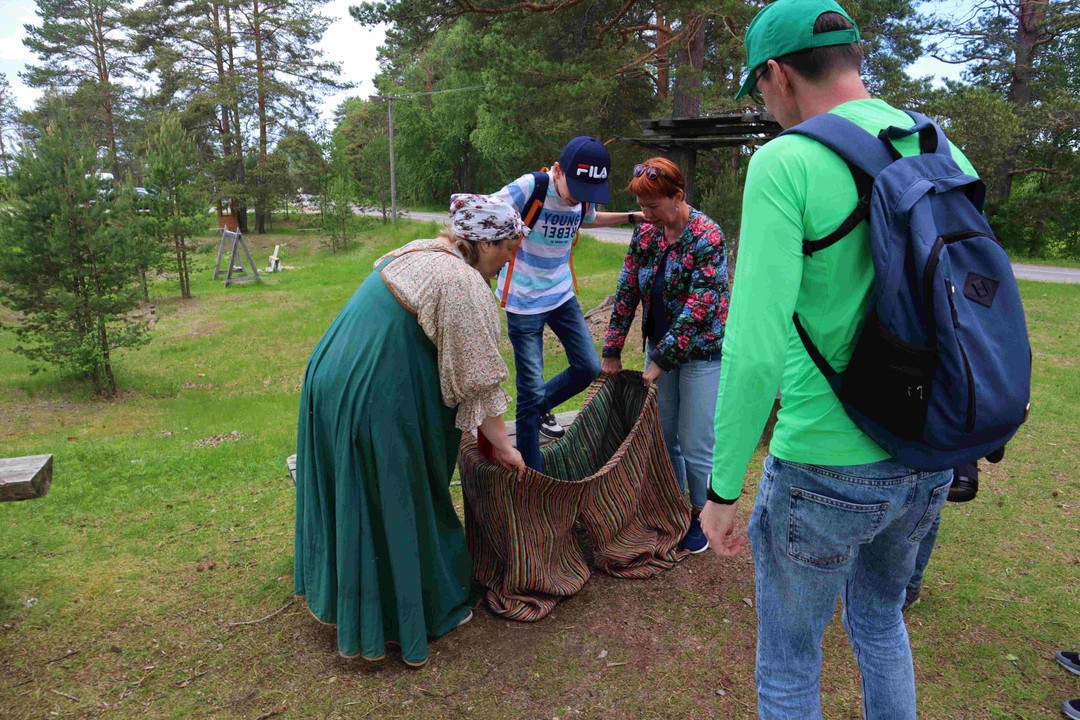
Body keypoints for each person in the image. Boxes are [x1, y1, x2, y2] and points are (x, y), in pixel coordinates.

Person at [698, 0, 982, 717]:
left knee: (791, 665)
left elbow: (754, 350)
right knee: (881, 624)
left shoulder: (785, 163)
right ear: (853, 58)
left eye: (759, 90)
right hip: (926, 453)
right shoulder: (939, 145)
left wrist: (723, 489)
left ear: (777, 74)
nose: (765, 107)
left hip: (825, 461)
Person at [293, 194, 527, 668]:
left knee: (364, 495)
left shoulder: (419, 251)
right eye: (506, 247)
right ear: (482, 243)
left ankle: (351, 593)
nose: (510, 257)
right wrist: (505, 448)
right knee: (401, 495)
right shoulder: (461, 283)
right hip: (371, 394)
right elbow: (479, 378)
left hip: (328, 379)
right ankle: (414, 610)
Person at [600, 157, 729, 554]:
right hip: (660, 347)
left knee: (695, 440)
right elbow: (626, 293)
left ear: (677, 197)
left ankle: (700, 515)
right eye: (642, 206)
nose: (646, 214)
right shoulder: (646, 235)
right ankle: (676, 508)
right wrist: (612, 350)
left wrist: (660, 361)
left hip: (701, 354)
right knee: (665, 435)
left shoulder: (707, 236)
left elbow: (699, 308)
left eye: (653, 206)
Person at [493, 136, 644, 473]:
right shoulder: (531, 186)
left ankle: (534, 408)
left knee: (588, 367)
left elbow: (588, 218)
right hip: (524, 301)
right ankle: (533, 477)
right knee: (529, 388)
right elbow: (487, 212)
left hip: (561, 295)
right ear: (558, 170)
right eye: (574, 187)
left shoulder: (582, 195)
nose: (579, 197)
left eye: (586, 193)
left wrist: (632, 216)